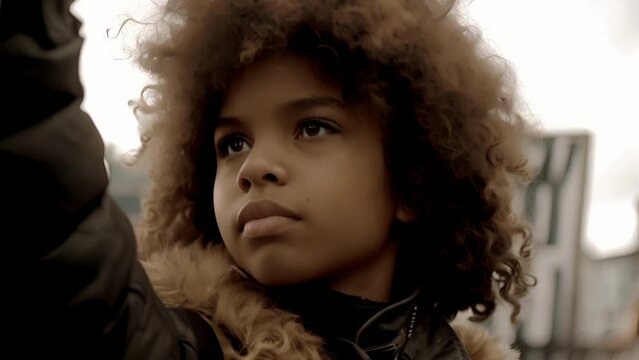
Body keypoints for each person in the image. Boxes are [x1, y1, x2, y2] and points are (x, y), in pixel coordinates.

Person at [2, 0, 536, 358]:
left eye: (311, 127)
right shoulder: (174, 338)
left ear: (414, 183)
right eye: (232, 144)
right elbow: (61, 240)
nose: (255, 166)